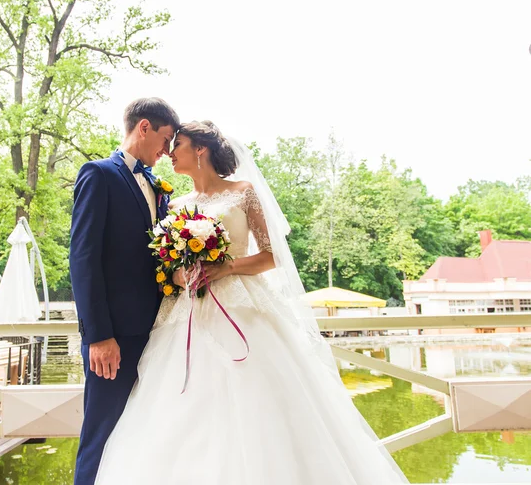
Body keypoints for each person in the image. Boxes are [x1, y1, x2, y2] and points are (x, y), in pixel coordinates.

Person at [95, 120, 408, 484]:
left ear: (201, 149)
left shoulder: (243, 192)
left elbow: (273, 255)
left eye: (177, 144)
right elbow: (167, 267)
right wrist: (181, 275)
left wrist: (226, 267)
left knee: (256, 399)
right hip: (187, 312)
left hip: (242, 305)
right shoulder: (175, 203)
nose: (169, 152)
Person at [70, 97, 180, 485]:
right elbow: (83, 260)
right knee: (101, 433)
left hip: (159, 334)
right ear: (144, 127)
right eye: (166, 140)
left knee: (144, 435)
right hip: (114, 338)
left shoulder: (156, 185)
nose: (167, 152)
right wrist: (99, 336)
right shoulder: (98, 174)